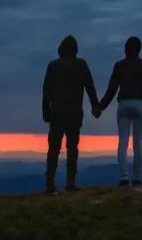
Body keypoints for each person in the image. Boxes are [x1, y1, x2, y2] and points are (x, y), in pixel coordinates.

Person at [42, 34, 101, 194]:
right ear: (75, 50)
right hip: (74, 113)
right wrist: (95, 106)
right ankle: (71, 182)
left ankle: (49, 184)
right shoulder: (81, 65)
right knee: (72, 148)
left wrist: (45, 111)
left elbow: (46, 91)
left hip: (57, 113)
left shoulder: (53, 66)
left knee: (53, 149)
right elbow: (90, 86)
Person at [99, 36, 142, 187]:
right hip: (139, 104)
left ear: (126, 49)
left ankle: (124, 176)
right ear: (139, 50)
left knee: (123, 142)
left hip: (123, 104)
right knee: (138, 143)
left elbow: (112, 89)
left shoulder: (119, 65)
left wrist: (101, 107)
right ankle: (136, 178)